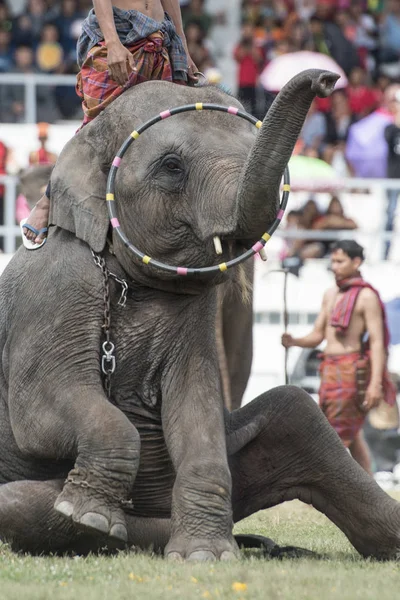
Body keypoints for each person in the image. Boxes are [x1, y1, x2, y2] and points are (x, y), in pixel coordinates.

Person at [22, 0, 199, 247]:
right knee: (96, 129)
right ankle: (47, 201)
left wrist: (183, 47)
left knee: (165, 134)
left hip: (160, 38)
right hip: (117, 34)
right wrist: (113, 41)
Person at [281, 240, 396, 474]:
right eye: (333, 261)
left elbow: (377, 342)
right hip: (329, 369)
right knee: (349, 436)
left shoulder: (366, 297)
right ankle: (368, 488)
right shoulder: (330, 294)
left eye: (340, 261)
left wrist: (375, 384)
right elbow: (318, 335)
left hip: (352, 371)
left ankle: (322, 491)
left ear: (357, 262)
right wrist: (294, 341)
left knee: (337, 434)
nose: (334, 266)